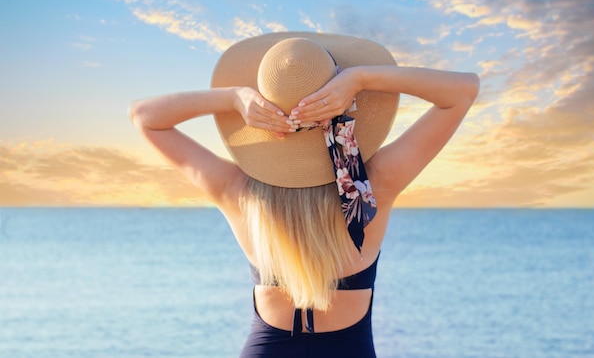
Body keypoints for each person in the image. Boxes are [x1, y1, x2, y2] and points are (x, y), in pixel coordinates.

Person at [129, 32, 479, 357]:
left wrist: (233, 98)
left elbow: (144, 116)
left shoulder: (238, 192)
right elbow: (462, 90)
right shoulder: (372, 185)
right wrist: (359, 79)